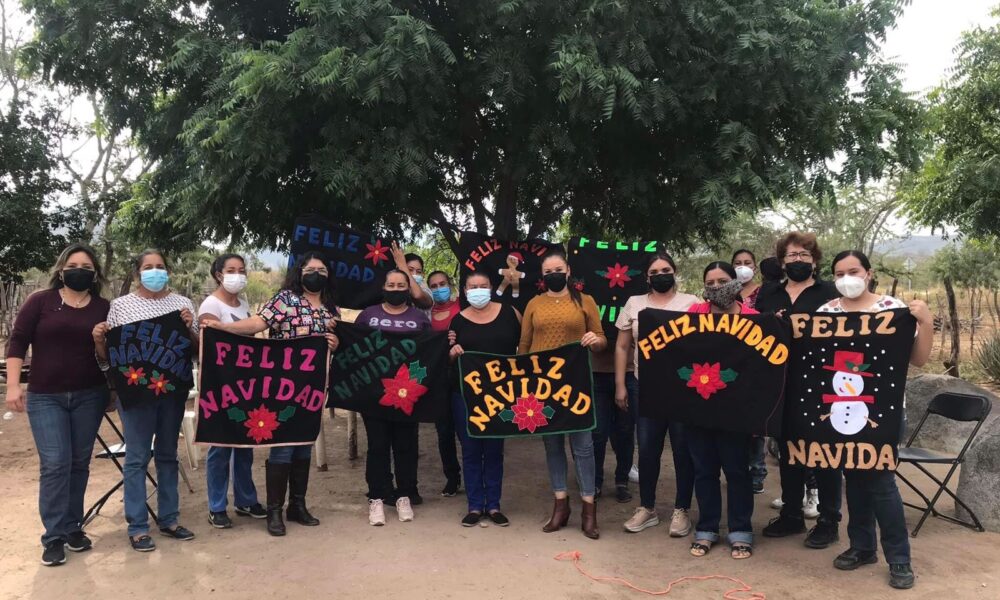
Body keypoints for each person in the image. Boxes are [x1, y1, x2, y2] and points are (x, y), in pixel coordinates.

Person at [205, 251, 340, 537]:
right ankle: (275, 510)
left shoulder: (332, 307)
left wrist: (335, 341)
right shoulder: (285, 299)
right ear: (299, 272)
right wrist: (224, 328)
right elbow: (257, 324)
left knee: (304, 443)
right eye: (310, 268)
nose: (316, 273)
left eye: (322, 269)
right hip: (282, 387)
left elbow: (338, 343)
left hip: (312, 388)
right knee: (283, 444)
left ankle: (297, 506)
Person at [819, 250, 932, 590]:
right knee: (852, 478)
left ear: (868, 273)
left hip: (883, 413)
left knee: (881, 482)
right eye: (839, 273)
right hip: (840, 414)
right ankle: (862, 546)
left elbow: (920, 359)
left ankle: (899, 558)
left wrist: (925, 321)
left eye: (852, 271)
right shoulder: (825, 313)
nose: (846, 278)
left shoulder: (893, 310)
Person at [4, 244, 111, 566]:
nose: (79, 269)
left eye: (86, 266)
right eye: (73, 264)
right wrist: (13, 385)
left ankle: (72, 528)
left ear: (94, 274)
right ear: (61, 269)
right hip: (45, 396)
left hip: (90, 395)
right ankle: (52, 537)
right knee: (55, 464)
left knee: (79, 463)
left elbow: (109, 356)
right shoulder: (41, 301)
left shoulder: (104, 308)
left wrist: (100, 341)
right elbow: (18, 341)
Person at [92, 249, 199, 552]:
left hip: (172, 391)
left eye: (161, 266)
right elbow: (109, 358)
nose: (155, 271)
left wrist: (189, 327)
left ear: (168, 271)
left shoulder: (181, 304)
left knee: (167, 454)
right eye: (149, 267)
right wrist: (100, 340)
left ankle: (170, 519)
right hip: (135, 394)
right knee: (137, 458)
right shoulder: (120, 307)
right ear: (138, 272)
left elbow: (196, 349)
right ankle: (137, 526)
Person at [755, 232, 843, 549]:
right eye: (791, 256)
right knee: (789, 451)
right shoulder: (768, 294)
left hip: (823, 385)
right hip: (781, 384)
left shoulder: (831, 294)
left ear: (815, 261)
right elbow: (754, 330)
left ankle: (829, 520)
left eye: (804, 255)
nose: (798, 260)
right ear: (781, 261)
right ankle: (792, 514)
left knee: (824, 454)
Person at [519, 250, 607, 539]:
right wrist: (524, 383)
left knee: (583, 447)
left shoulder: (586, 301)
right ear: (542, 276)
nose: (553, 273)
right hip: (543, 387)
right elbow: (524, 346)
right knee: (552, 445)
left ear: (568, 271)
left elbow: (601, 339)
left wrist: (595, 340)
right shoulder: (533, 304)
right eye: (547, 271)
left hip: (577, 383)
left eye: (558, 268)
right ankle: (560, 505)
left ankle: (588, 510)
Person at [616, 252, 699, 536]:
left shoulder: (693, 304)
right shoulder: (634, 303)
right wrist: (620, 384)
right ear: (647, 277)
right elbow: (622, 347)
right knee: (648, 448)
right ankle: (647, 507)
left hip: (683, 389)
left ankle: (681, 510)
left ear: (674, 272)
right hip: (645, 386)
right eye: (654, 271)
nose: (660, 274)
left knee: (682, 450)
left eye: (666, 269)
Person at [683, 262, 758, 560]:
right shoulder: (693, 315)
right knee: (704, 470)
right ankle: (707, 528)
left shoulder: (754, 319)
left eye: (722, 280)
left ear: (735, 283)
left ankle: (741, 530)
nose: (716, 287)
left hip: (737, 410)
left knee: (738, 470)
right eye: (710, 282)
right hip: (698, 405)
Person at [356, 270, 431, 526]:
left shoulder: (418, 317)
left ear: (408, 288)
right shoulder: (368, 315)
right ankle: (376, 497)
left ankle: (404, 495)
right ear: (383, 286)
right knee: (377, 446)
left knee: (405, 446)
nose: (396, 288)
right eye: (391, 284)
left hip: (407, 394)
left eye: (401, 285)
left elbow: (431, 352)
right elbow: (354, 351)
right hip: (374, 394)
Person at [447, 271, 521, 526]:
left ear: (491, 287)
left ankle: (494, 505)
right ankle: (475, 505)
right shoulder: (457, 321)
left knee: (494, 450)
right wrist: (453, 353)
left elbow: (525, 348)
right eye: (473, 287)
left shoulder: (511, 314)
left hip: (500, 394)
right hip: (465, 394)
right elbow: (447, 357)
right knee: (470, 449)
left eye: (483, 285)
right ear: (465, 291)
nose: (478, 290)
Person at [198, 254, 266, 529]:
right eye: (231, 270)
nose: (237, 274)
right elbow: (210, 341)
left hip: (246, 384)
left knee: (246, 443)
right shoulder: (210, 305)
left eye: (241, 270)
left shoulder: (244, 304)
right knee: (221, 445)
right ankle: (216, 505)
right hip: (221, 384)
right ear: (218, 274)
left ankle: (245, 499)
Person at [732, 249, 767, 494]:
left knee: (756, 424)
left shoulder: (765, 292)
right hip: (731, 361)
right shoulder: (727, 291)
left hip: (757, 362)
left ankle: (757, 472)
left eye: (747, 263)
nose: (742, 267)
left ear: (755, 267)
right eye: (737, 263)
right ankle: (737, 471)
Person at [428, 270, 462, 496]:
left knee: (467, 427)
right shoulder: (425, 314)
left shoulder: (462, 306)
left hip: (464, 372)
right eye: (434, 285)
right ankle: (452, 477)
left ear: (450, 285)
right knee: (444, 430)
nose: (439, 288)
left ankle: (474, 475)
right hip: (438, 377)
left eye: (442, 283)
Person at [389, 243, 432, 310]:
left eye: (419, 272)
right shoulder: (392, 289)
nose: (414, 274)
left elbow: (418, 295)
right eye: (410, 270)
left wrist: (403, 265)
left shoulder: (426, 291)